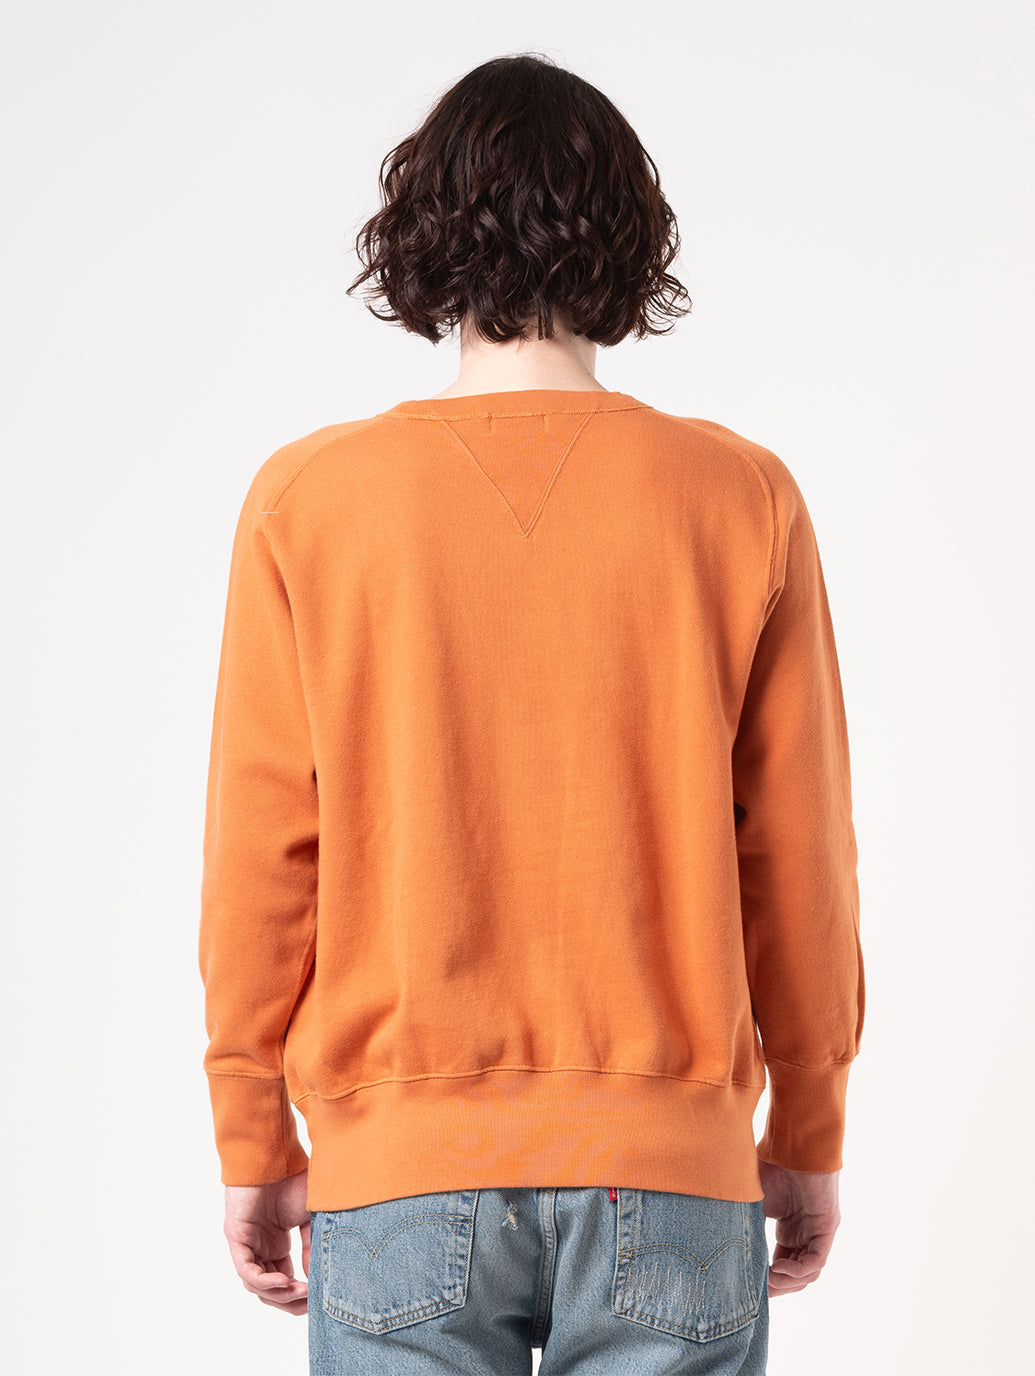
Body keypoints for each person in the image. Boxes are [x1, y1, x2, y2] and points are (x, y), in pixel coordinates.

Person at [198, 52, 865, 1376]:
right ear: (627, 235)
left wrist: (252, 1139)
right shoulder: (742, 498)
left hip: (398, 1176)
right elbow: (801, 861)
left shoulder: (310, 503)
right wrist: (807, 1132)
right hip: (674, 1174)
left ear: (424, 234)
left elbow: (262, 859)